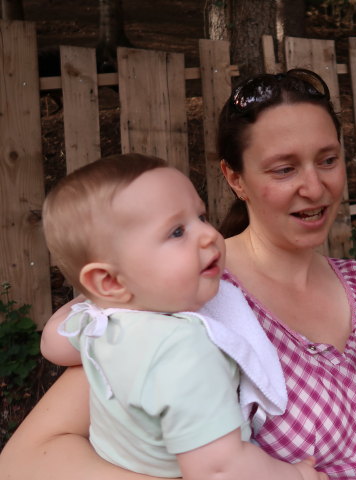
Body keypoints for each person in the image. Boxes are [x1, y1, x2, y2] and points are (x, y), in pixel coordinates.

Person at [0, 69, 356, 479]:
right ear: (235, 178)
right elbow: (26, 460)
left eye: (327, 160)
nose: (315, 187)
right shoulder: (188, 294)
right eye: (284, 169)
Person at [37, 153, 326, 480]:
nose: (208, 234)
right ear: (110, 281)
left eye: (201, 216)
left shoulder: (101, 324)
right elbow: (221, 469)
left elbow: (53, 344)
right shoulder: (184, 348)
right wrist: (298, 476)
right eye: (176, 232)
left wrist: (100, 298)